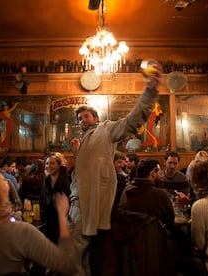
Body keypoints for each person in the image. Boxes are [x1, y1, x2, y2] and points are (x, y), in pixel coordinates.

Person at [68, 59, 162, 275]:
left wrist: (150, 91)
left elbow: (133, 121)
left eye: (86, 116)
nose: (83, 120)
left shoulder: (106, 129)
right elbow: (86, 170)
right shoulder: (83, 140)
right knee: (82, 254)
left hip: (87, 205)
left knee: (73, 253)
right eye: (80, 118)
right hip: (78, 202)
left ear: (96, 118)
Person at [112, 158, 174, 276]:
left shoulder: (127, 191)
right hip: (152, 244)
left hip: (127, 246)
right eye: (159, 172)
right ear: (152, 173)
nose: (160, 175)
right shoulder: (159, 194)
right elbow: (170, 221)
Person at [41, 152, 71, 244]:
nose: (48, 166)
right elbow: (42, 201)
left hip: (61, 225)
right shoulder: (46, 181)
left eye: (52, 163)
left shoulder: (65, 181)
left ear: (59, 165)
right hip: (47, 223)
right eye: (47, 163)